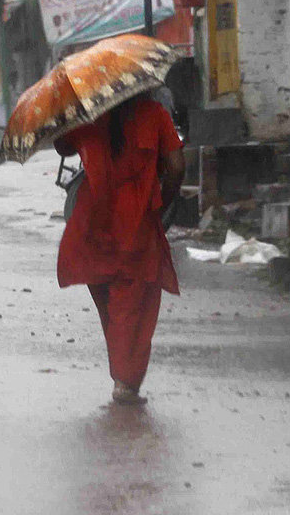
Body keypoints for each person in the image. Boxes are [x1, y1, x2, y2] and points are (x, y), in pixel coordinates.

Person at [54, 92, 185, 405]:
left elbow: (61, 145)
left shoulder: (90, 116)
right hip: (135, 222)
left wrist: (69, 112)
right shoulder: (154, 114)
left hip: (91, 221)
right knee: (134, 305)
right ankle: (125, 382)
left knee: (110, 307)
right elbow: (177, 166)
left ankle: (122, 377)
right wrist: (163, 200)